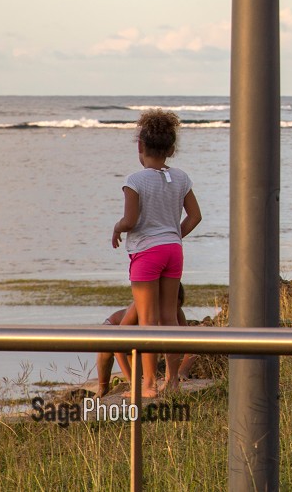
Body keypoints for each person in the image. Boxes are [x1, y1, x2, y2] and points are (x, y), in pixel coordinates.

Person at [111, 108, 202, 396]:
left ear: (140, 146)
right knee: (169, 318)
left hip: (146, 254)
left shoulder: (135, 180)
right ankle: (172, 380)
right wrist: (173, 235)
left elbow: (131, 220)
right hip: (173, 251)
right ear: (172, 149)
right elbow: (195, 216)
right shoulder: (181, 177)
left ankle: (148, 384)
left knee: (147, 320)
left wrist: (117, 227)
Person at [95, 286, 197, 397]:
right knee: (106, 350)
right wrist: (131, 382)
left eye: (176, 307)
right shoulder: (139, 307)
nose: (173, 310)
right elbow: (118, 344)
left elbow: (189, 343)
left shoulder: (175, 311)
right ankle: (102, 388)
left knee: (143, 378)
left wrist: (182, 370)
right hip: (115, 330)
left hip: (139, 343)